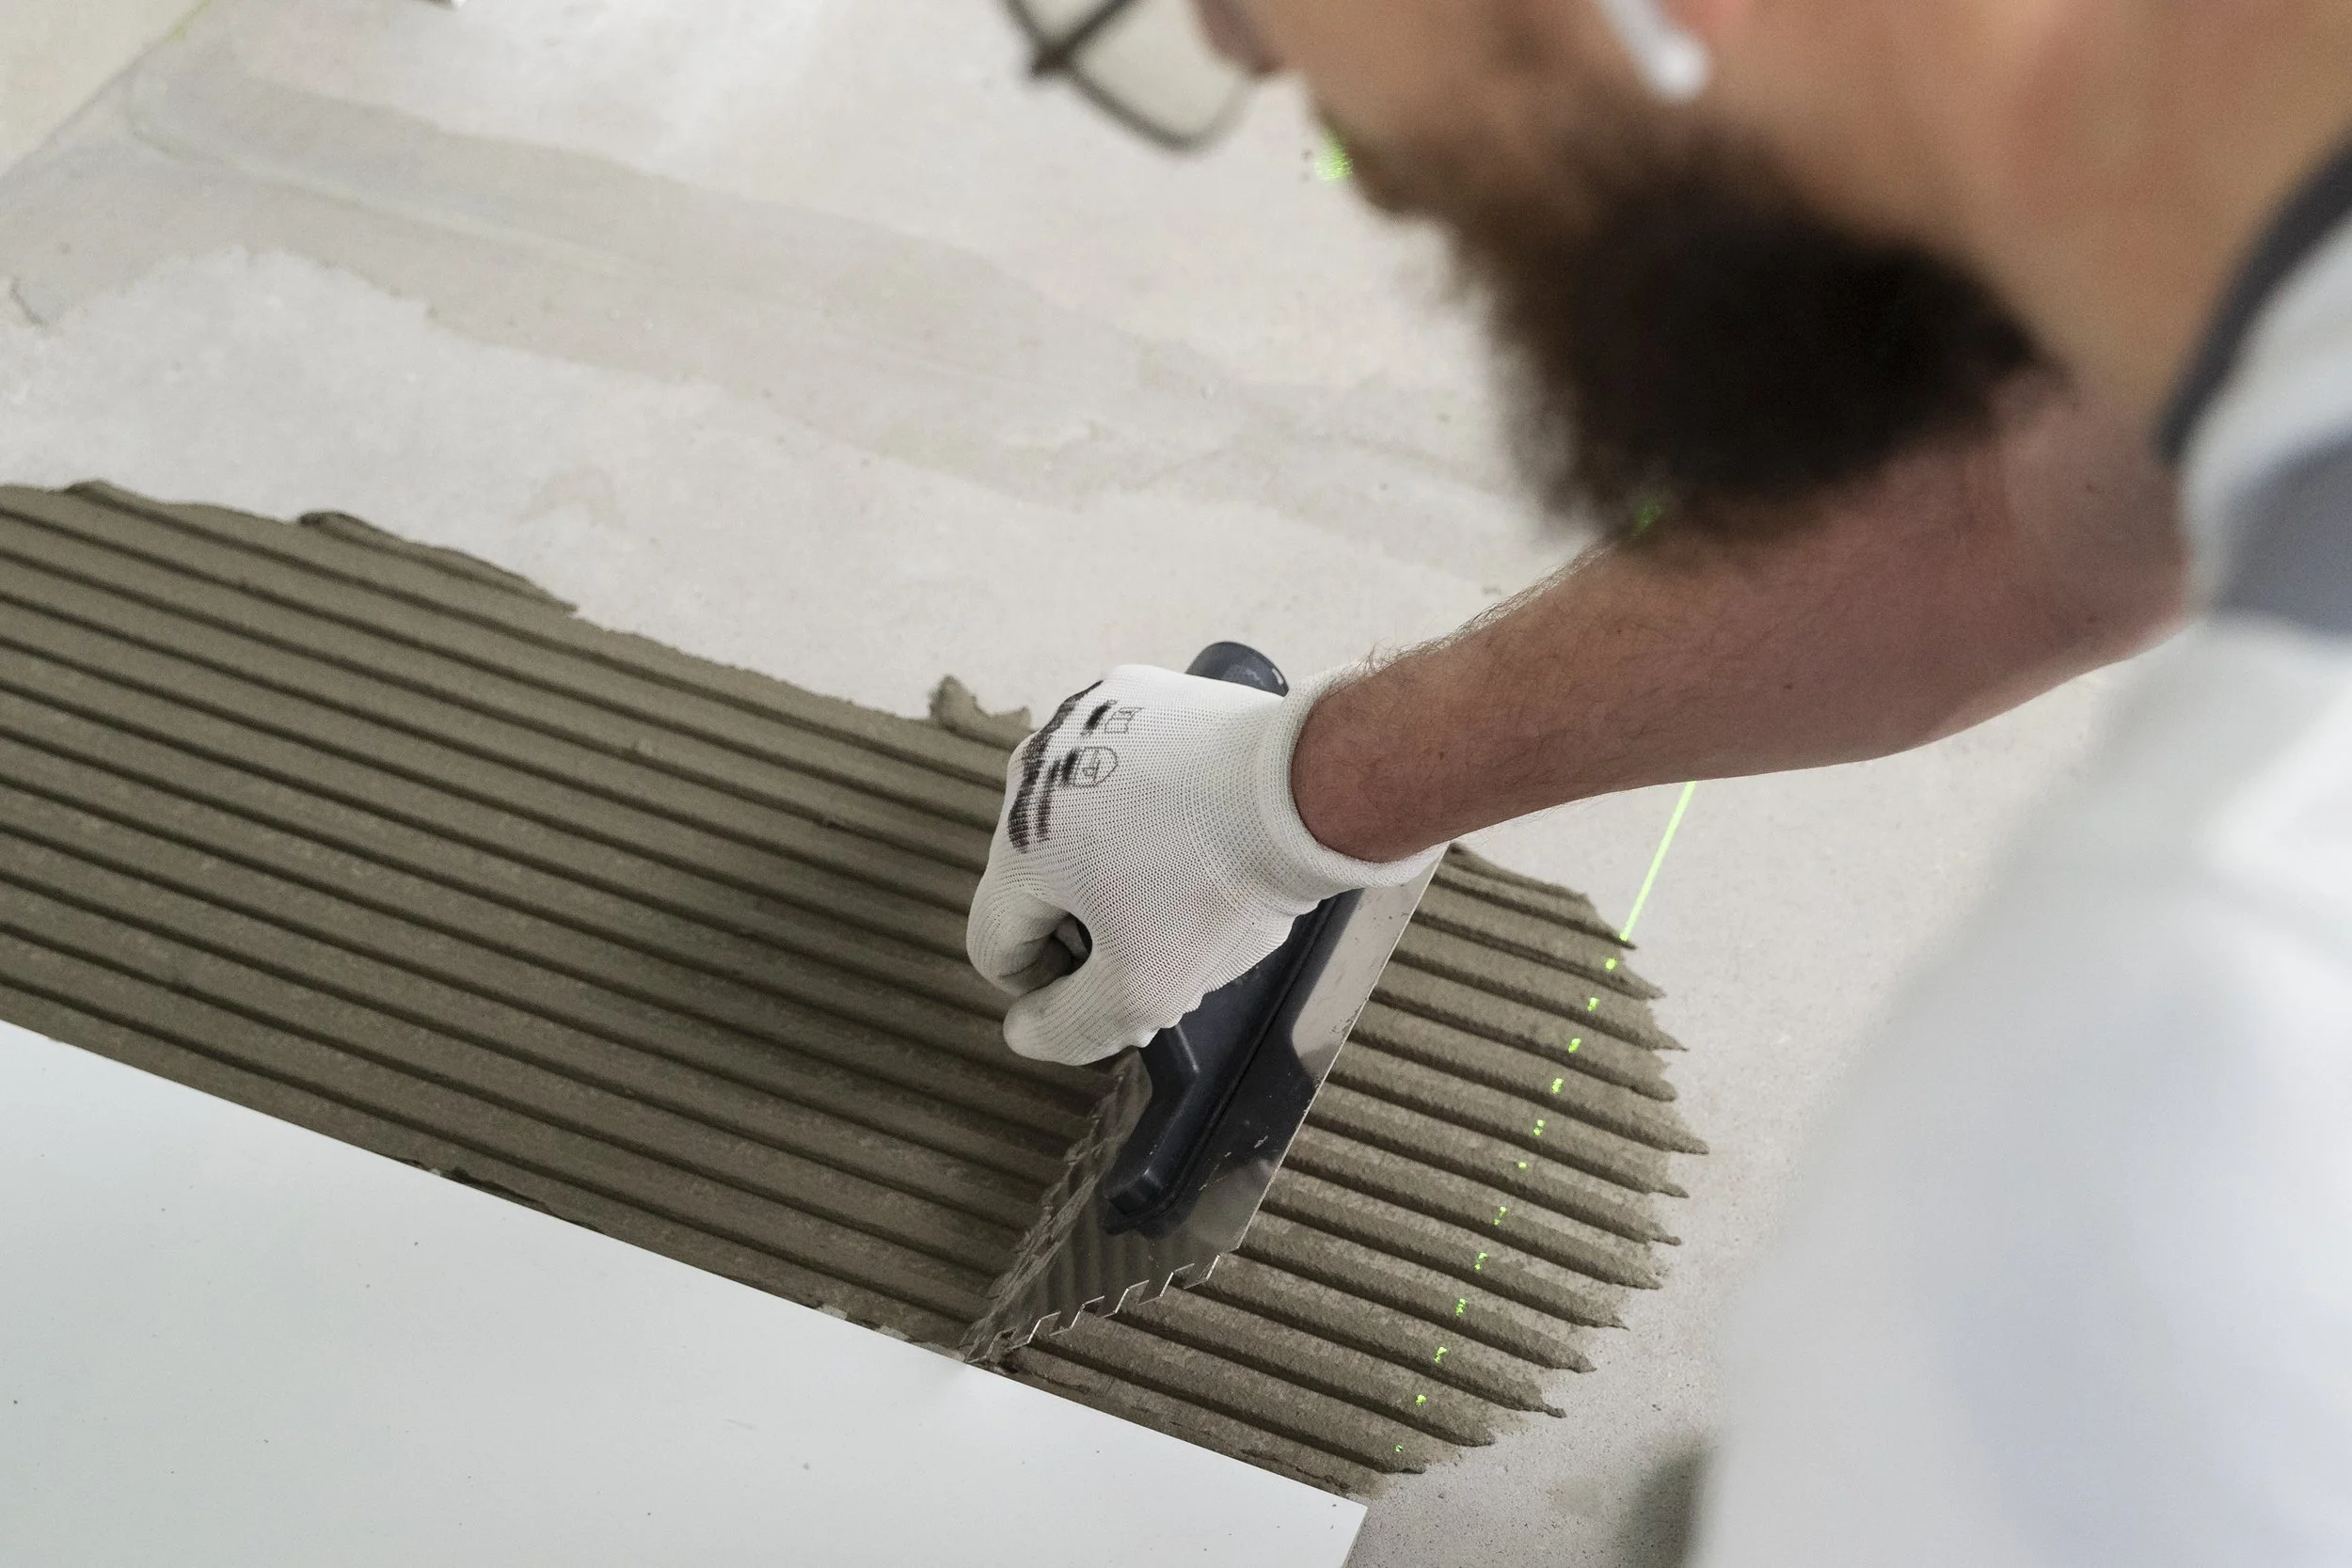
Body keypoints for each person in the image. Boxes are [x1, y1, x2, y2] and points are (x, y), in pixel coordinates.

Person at [968, 1, 2352, 1560]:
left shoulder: (2214, 1076)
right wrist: (1284, 799)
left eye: (1252, 16)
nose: (1364, 174)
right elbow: (2015, 521)